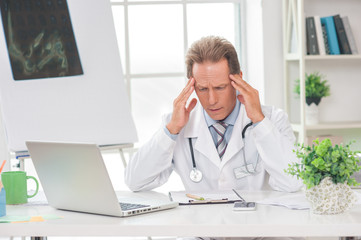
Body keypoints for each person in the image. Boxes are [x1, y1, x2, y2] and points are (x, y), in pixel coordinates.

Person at [125, 36, 302, 193]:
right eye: (202, 89)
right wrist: (171, 130)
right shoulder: (176, 124)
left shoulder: (272, 119)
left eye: (220, 87)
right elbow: (135, 182)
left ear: (238, 79)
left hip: (255, 228)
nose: (211, 100)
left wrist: (259, 120)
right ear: (191, 85)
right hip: (201, 229)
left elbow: (293, 182)